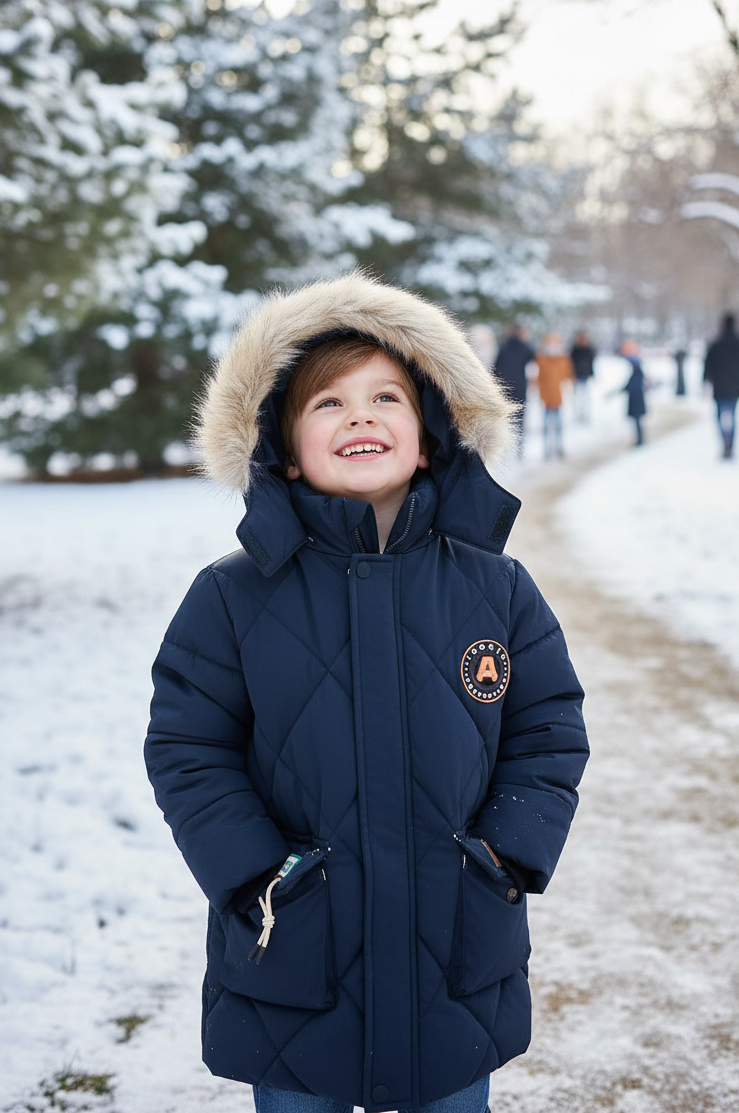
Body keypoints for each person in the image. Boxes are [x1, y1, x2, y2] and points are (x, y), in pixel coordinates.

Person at [144, 274, 589, 1113]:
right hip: (294, 949)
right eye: (328, 404)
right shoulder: (232, 597)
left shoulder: (498, 591)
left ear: (430, 438)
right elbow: (187, 747)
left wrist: (504, 855)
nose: (360, 417)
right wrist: (255, 876)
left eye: (387, 397)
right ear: (280, 446)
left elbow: (548, 729)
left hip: (454, 945)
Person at [703, 313, 739, 459]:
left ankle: (724, 442)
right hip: (734, 386)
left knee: (720, 416)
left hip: (719, 386)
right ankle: (730, 444)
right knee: (732, 416)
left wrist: (706, 382)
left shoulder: (715, 343)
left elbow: (707, 365)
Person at [493, 322, 535, 449]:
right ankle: (518, 448)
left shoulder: (504, 347)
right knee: (519, 421)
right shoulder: (523, 347)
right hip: (519, 388)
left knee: (507, 421)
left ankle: (510, 448)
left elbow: (495, 369)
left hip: (505, 389)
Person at [534, 332, 574, 458]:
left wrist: (568, 388)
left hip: (559, 397)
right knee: (546, 425)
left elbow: (568, 376)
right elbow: (537, 377)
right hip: (546, 397)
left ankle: (559, 447)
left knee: (559, 424)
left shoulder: (563, 359)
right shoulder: (541, 359)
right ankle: (547, 449)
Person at [619, 340, 647, 446]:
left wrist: (627, 389)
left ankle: (640, 439)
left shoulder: (637, 372)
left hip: (636, 400)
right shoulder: (636, 371)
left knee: (637, 420)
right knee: (637, 421)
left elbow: (634, 384)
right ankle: (639, 439)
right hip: (635, 399)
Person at [569, 331, 596, 423]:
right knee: (577, 397)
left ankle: (585, 415)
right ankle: (578, 414)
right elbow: (570, 364)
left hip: (585, 376)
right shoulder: (574, 350)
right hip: (576, 376)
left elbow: (591, 363)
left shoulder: (588, 350)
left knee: (585, 397)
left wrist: (592, 374)